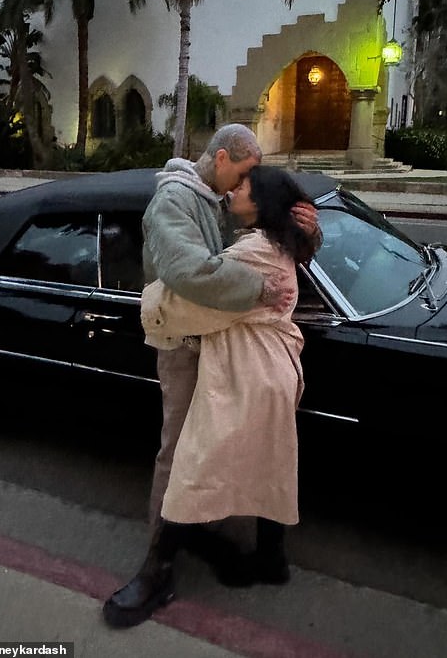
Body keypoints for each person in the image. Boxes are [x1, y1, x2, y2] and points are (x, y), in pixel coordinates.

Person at [102, 124, 320, 629]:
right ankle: (161, 560)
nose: (247, 184)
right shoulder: (175, 201)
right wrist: (258, 290)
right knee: (183, 454)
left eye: (251, 183)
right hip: (189, 348)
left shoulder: (228, 202)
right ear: (222, 159)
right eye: (244, 174)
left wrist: (308, 227)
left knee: (229, 453)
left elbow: (277, 239)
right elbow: (192, 275)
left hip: (232, 352)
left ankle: (215, 541)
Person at [140, 164, 317, 583]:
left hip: (246, 373)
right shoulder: (279, 241)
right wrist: (309, 233)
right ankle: (273, 562)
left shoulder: (251, 251)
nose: (234, 191)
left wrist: (148, 299)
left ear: (260, 203)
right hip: (273, 370)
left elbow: (193, 301)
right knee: (267, 467)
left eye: (243, 186)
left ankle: (159, 564)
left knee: (194, 470)